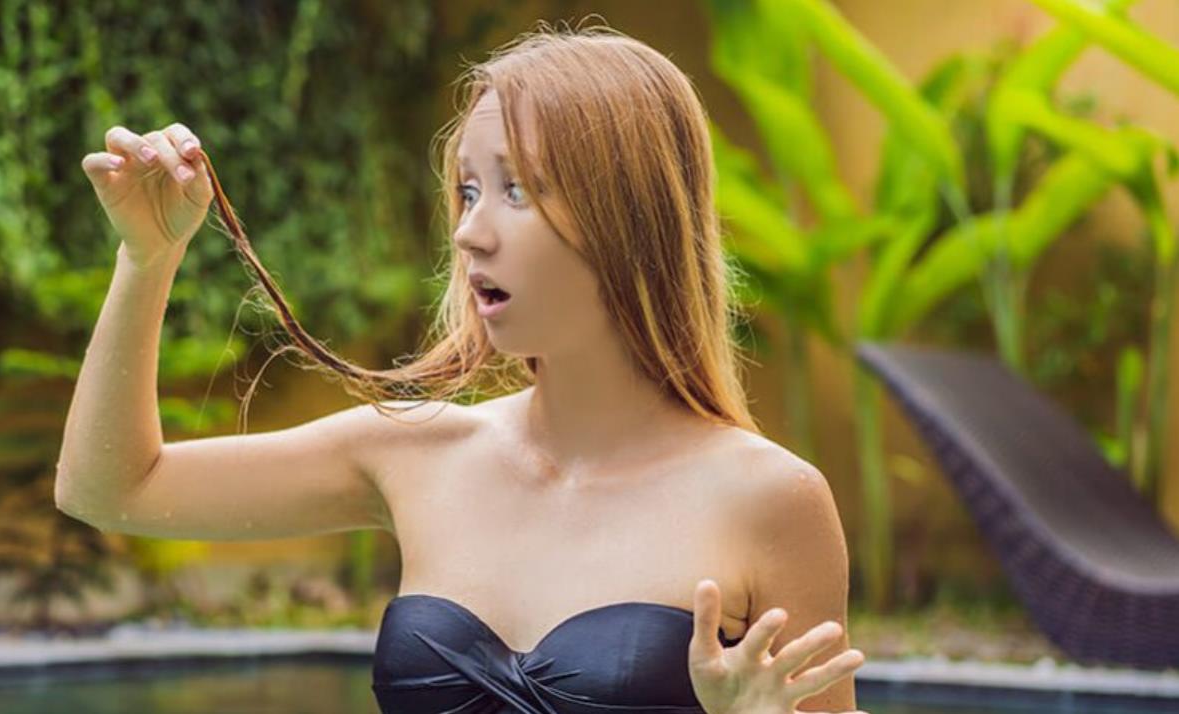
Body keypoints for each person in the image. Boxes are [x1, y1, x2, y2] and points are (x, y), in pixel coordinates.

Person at [57, 21, 867, 714]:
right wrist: (148, 258)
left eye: (517, 190)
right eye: (469, 190)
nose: (470, 233)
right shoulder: (415, 453)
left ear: (630, 214)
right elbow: (111, 489)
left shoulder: (770, 500)